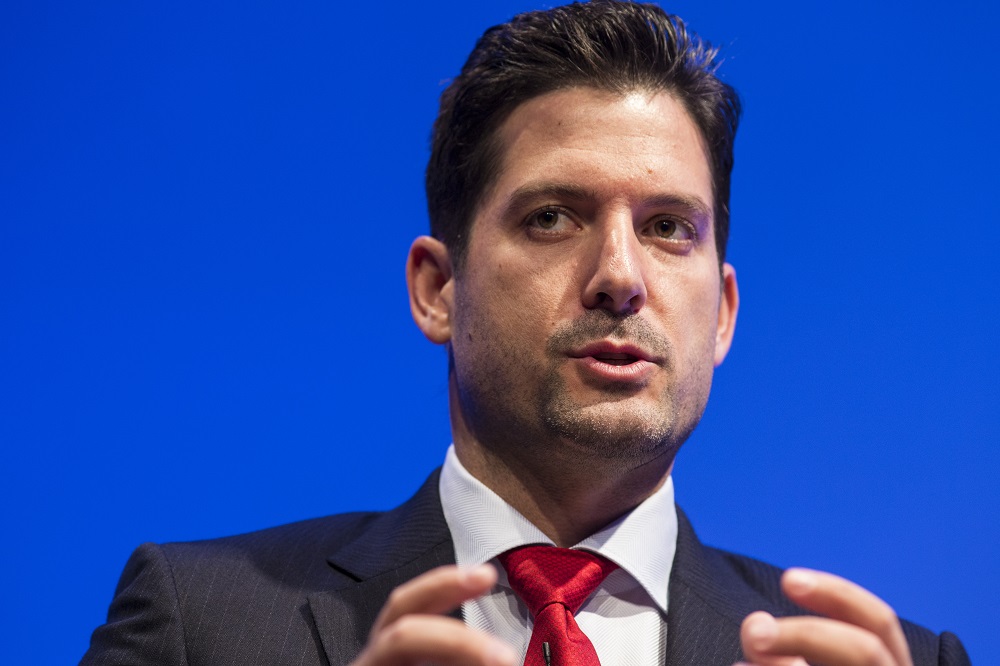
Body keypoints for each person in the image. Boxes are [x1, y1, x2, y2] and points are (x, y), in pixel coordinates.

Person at [80, 2, 970, 665]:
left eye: (668, 227)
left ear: (725, 312)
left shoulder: (897, 660)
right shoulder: (200, 622)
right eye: (552, 217)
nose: (621, 276)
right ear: (437, 289)